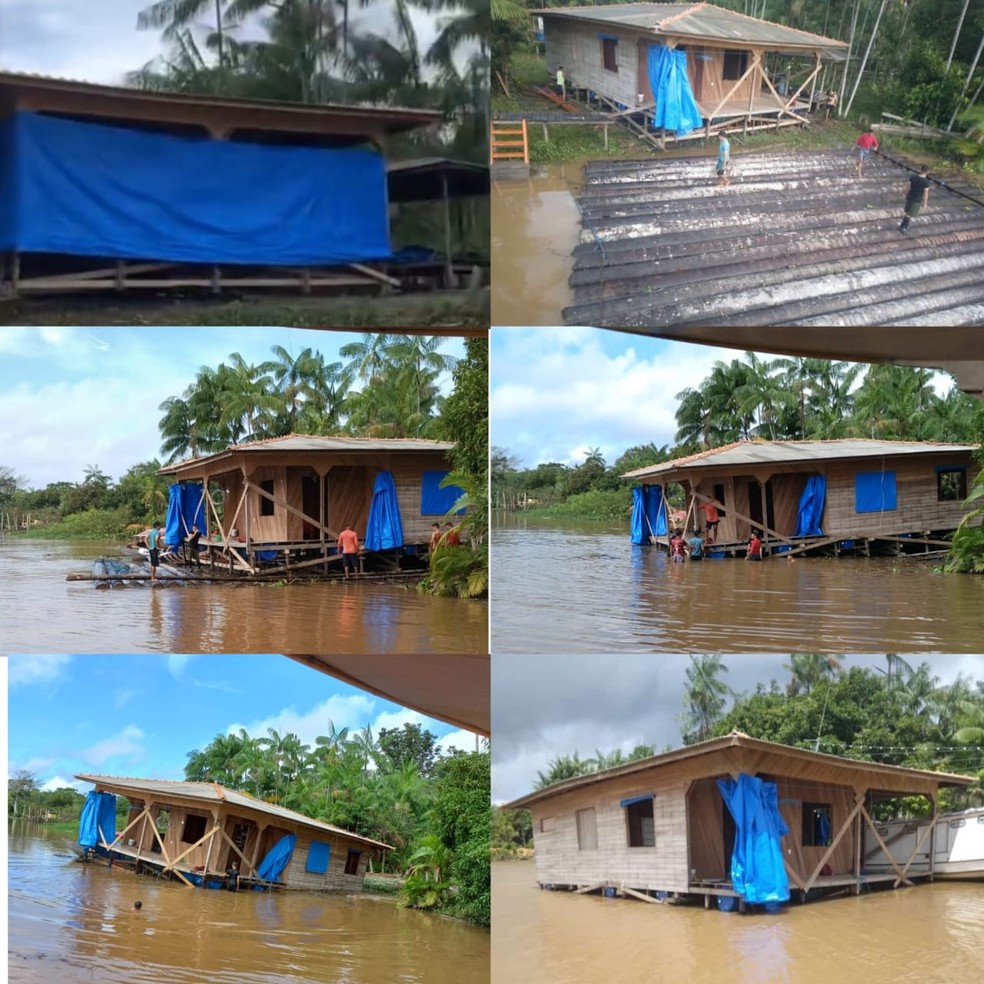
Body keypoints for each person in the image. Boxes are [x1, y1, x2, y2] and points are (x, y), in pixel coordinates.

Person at [899, 165, 931, 234]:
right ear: (928, 172)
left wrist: (903, 193)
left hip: (910, 197)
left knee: (908, 212)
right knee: (910, 214)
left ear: (921, 169)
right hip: (917, 200)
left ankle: (903, 225)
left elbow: (907, 187)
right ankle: (903, 227)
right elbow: (925, 194)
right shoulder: (926, 182)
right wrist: (925, 203)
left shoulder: (913, 177)